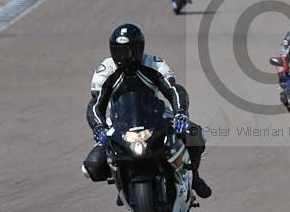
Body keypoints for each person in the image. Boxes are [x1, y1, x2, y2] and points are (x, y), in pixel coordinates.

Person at [83, 23, 212, 199]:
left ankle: (194, 176)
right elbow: (96, 104)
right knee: (91, 166)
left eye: (131, 49)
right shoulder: (106, 70)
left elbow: (173, 89)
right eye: (120, 50)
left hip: (158, 117)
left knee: (197, 133)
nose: (126, 55)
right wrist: (99, 127)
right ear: (112, 50)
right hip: (119, 124)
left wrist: (180, 112)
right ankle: (122, 180)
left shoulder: (153, 64)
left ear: (140, 48)